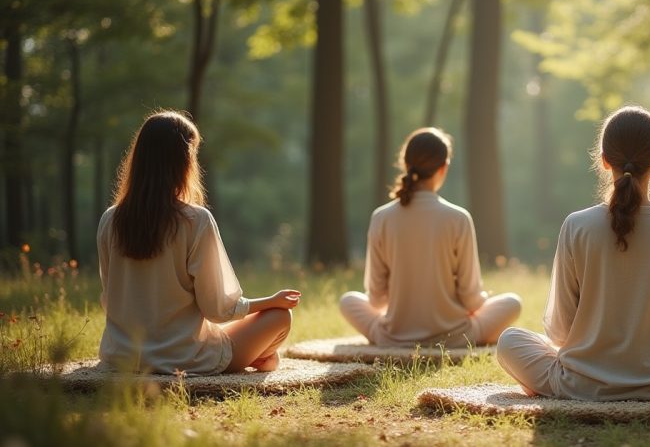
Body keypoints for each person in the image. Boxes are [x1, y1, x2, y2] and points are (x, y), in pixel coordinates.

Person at [497, 106, 650, 401]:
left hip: (580, 384)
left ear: (603, 160)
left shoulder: (576, 225)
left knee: (509, 341)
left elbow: (560, 333)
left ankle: (563, 385)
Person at [97, 111, 300, 375]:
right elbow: (218, 309)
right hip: (185, 358)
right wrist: (271, 301)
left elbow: (110, 296)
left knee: (220, 332)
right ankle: (256, 357)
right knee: (280, 317)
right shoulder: (195, 220)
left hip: (121, 356)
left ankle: (255, 356)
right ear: (183, 161)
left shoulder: (110, 220)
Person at [340, 127, 522, 347]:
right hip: (455, 336)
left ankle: (393, 337)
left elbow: (376, 300)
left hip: (394, 336)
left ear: (406, 165)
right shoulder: (458, 218)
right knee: (513, 302)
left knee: (348, 300)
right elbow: (471, 300)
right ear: (443, 168)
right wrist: (483, 297)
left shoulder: (381, 217)